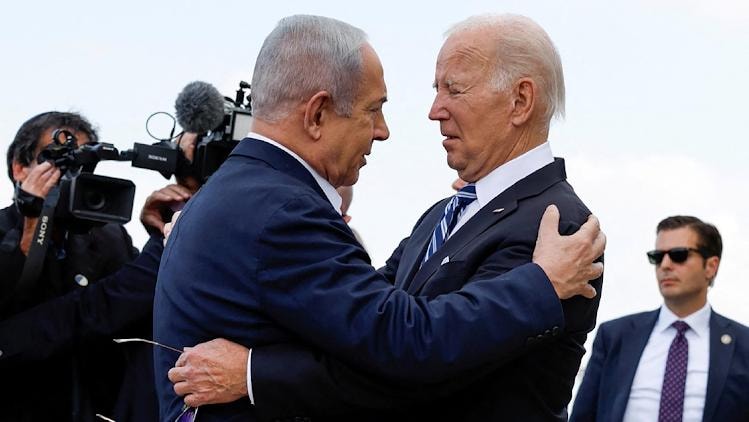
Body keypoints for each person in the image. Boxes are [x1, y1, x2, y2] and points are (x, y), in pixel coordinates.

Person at [154, 14, 605, 421]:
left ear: (520, 101)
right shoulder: (441, 216)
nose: (434, 111)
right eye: (436, 90)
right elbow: (378, 332)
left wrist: (254, 373)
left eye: (454, 89)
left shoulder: (560, 231)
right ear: (317, 114)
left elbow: (413, 368)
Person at [0, 111, 194, 421]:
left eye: (83, 164)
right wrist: (32, 224)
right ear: (20, 168)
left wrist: (164, 227)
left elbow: (133, 303)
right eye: (59, 161)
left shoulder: (109, 238)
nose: (72, 176)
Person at [571, 216, 749, 422]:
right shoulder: (615, 336)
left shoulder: (744, 345)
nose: (665, 265)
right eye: (657, 257)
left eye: (679, 255)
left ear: (711, 266)